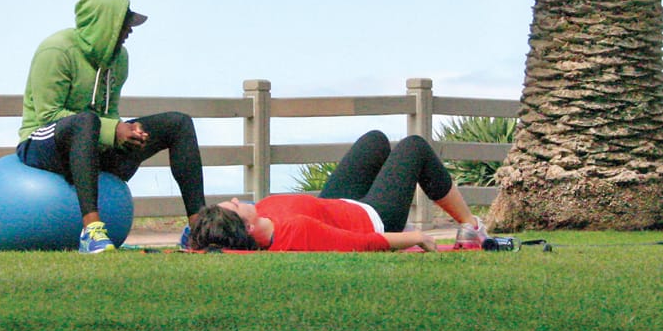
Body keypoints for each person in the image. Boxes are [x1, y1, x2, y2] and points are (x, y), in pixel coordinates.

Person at [17, 0, 206, 253]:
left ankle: (199, 232)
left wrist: (128, 132)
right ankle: (91, 231)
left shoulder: (119, 59)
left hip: (91, 144)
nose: (129, 31)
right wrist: (112, 129)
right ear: (104, 25)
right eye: (124, 25)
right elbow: (48, 115)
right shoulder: (56, 51)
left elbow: (109, 114)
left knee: (178, 123)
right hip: (41, 143)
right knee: (87, 122)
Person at [187, 130, 488, 252]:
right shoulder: (296, 232)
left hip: (338, 205)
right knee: (415, 147)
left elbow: (206, 241)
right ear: (248, 226)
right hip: (374, 217)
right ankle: (471, 228)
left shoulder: (258, 220)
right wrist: (418, 237)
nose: (239, 199)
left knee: (375, 140)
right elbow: (363, 242)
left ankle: (470, 226)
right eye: (236, 205)